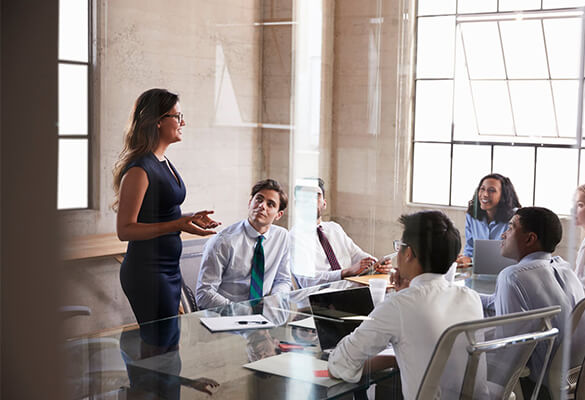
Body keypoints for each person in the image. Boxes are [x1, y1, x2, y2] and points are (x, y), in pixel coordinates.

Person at [328, 211, 486, 400]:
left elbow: (339, 364)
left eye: (399, 246)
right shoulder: (471, 298)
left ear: (408, 253)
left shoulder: (400, 305)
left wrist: (402, 296)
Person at [114, 88, 220, 353]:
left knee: (168, 348)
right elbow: (125, 229)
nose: (183, 122)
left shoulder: (163, 161)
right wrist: (177, 225)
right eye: (178, 116)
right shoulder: (139, 169)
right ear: (158, 120)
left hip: (168, 270)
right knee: (160, 349)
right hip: (148, 273)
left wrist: (188, 218)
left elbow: (161, 213)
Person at [481, 207, 585, 396]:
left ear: (530, 239)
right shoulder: (562, 268)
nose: (504, 235)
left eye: (511, 228)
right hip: (577, 374)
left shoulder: (512, 277)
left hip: (539, 385)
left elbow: (509, 348)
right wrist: (465, 294)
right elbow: (496, 303)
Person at [196, 179, 292, 309]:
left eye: (270, 204)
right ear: (250, 202)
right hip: (225, 315)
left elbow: (283, 280)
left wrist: (275, 301)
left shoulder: (282, 236)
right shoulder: (223, 241)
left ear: (278, 215)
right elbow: (204, 295)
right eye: (259, 199)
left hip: (264, 315)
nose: (262, 206)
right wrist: (241, 311)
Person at [290, 178, 391, 288]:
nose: (311, 200)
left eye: (316, 195)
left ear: (324, 203)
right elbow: (307, 281)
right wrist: (346, 272)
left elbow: (357, 255)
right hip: (319, 298)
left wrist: (376, 264)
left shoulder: (334, 228)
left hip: (348, 290)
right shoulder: (294, 237)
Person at [457, 173, 521, 266]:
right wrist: (465, 260)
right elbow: (470, 249)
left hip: (506, 270)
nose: (485, 194)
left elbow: (517, 254)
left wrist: (471, 260)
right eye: (482, 189)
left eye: (492, 190)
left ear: (503, 195)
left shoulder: (516, 217)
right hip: (478, 272)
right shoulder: (472, 216)